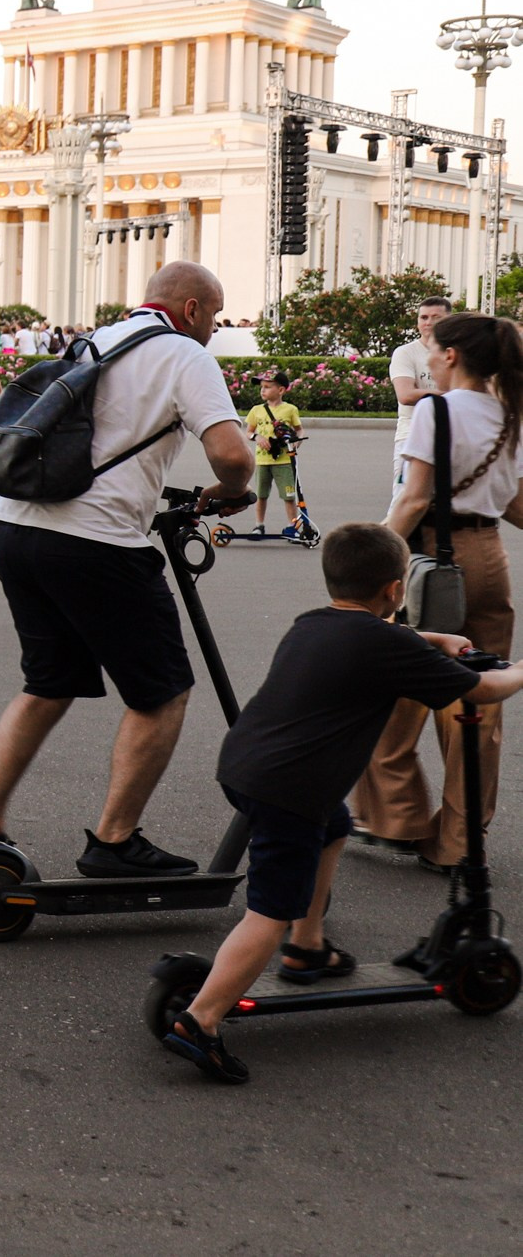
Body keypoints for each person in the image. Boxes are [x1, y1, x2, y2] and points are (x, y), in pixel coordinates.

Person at [165, 523, 523, 1083]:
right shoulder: (387, 644)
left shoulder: (315, 624)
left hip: (246, 768)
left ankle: (308, 949)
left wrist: (435, 640)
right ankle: (202, 1020)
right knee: (270, 909)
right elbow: (477, 690)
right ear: (394, 590)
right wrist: (518, 671)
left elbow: (391, 643)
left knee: (334, 824)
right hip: (289, 791)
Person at [0, 262, 254, 876]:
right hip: (95, 541)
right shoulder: (183, 355)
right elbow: (231, 453)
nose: (214, 328)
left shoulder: (93, 341)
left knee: (48, 684)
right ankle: (115, 843)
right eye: (215, 316)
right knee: (163, 691)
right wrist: (228, 489)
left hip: (17, 526)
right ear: (191, 309)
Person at [358, 311, 523, 867]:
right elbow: (517, 503)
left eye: (433, 348)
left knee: (394, 679)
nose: (428, 357)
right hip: (489, 558)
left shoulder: (436, 410)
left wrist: (367, 559)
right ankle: (458, 839)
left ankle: (395, 814)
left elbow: (413, 498)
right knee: (479, 697)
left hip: (430, 560)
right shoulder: (509, 415)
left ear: (451, 356)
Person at [388, 296, 452, 512]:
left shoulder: (458, 353)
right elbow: (406, 395)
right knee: (404, 502)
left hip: (452, 434)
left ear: (449, 320)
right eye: (423, 317)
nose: (428, 322)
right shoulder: (406, 353)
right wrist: (452, 395)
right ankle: (393, 544)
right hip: (412, 436)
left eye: (436, 317)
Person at [243, 372, 306, 536]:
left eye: (267, 387)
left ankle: (293, 527)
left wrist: (296, 443)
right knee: (261, 495)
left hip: (284, 461)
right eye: (261, 387)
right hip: (263, 460)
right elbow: (248, 432)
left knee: (289, 496)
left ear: (281, 390)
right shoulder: (257, 410)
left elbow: (299, 430)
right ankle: (259, 525)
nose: (262, 390)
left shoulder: (290, 409)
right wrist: (257, 437)